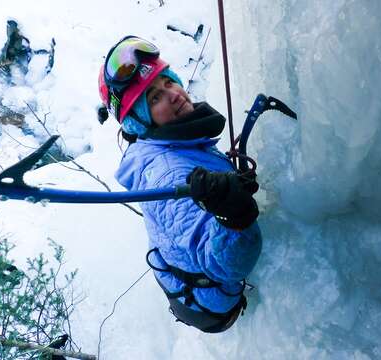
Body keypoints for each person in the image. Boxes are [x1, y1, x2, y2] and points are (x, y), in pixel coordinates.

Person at [98, 35, 262, 333]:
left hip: (188, 285)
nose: (173, 94)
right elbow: (229, 265)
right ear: (139, 122)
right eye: (154, 99)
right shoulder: (168, 175)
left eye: (168, 83)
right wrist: (234, 215)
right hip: (214, 306)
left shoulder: (172, 142)